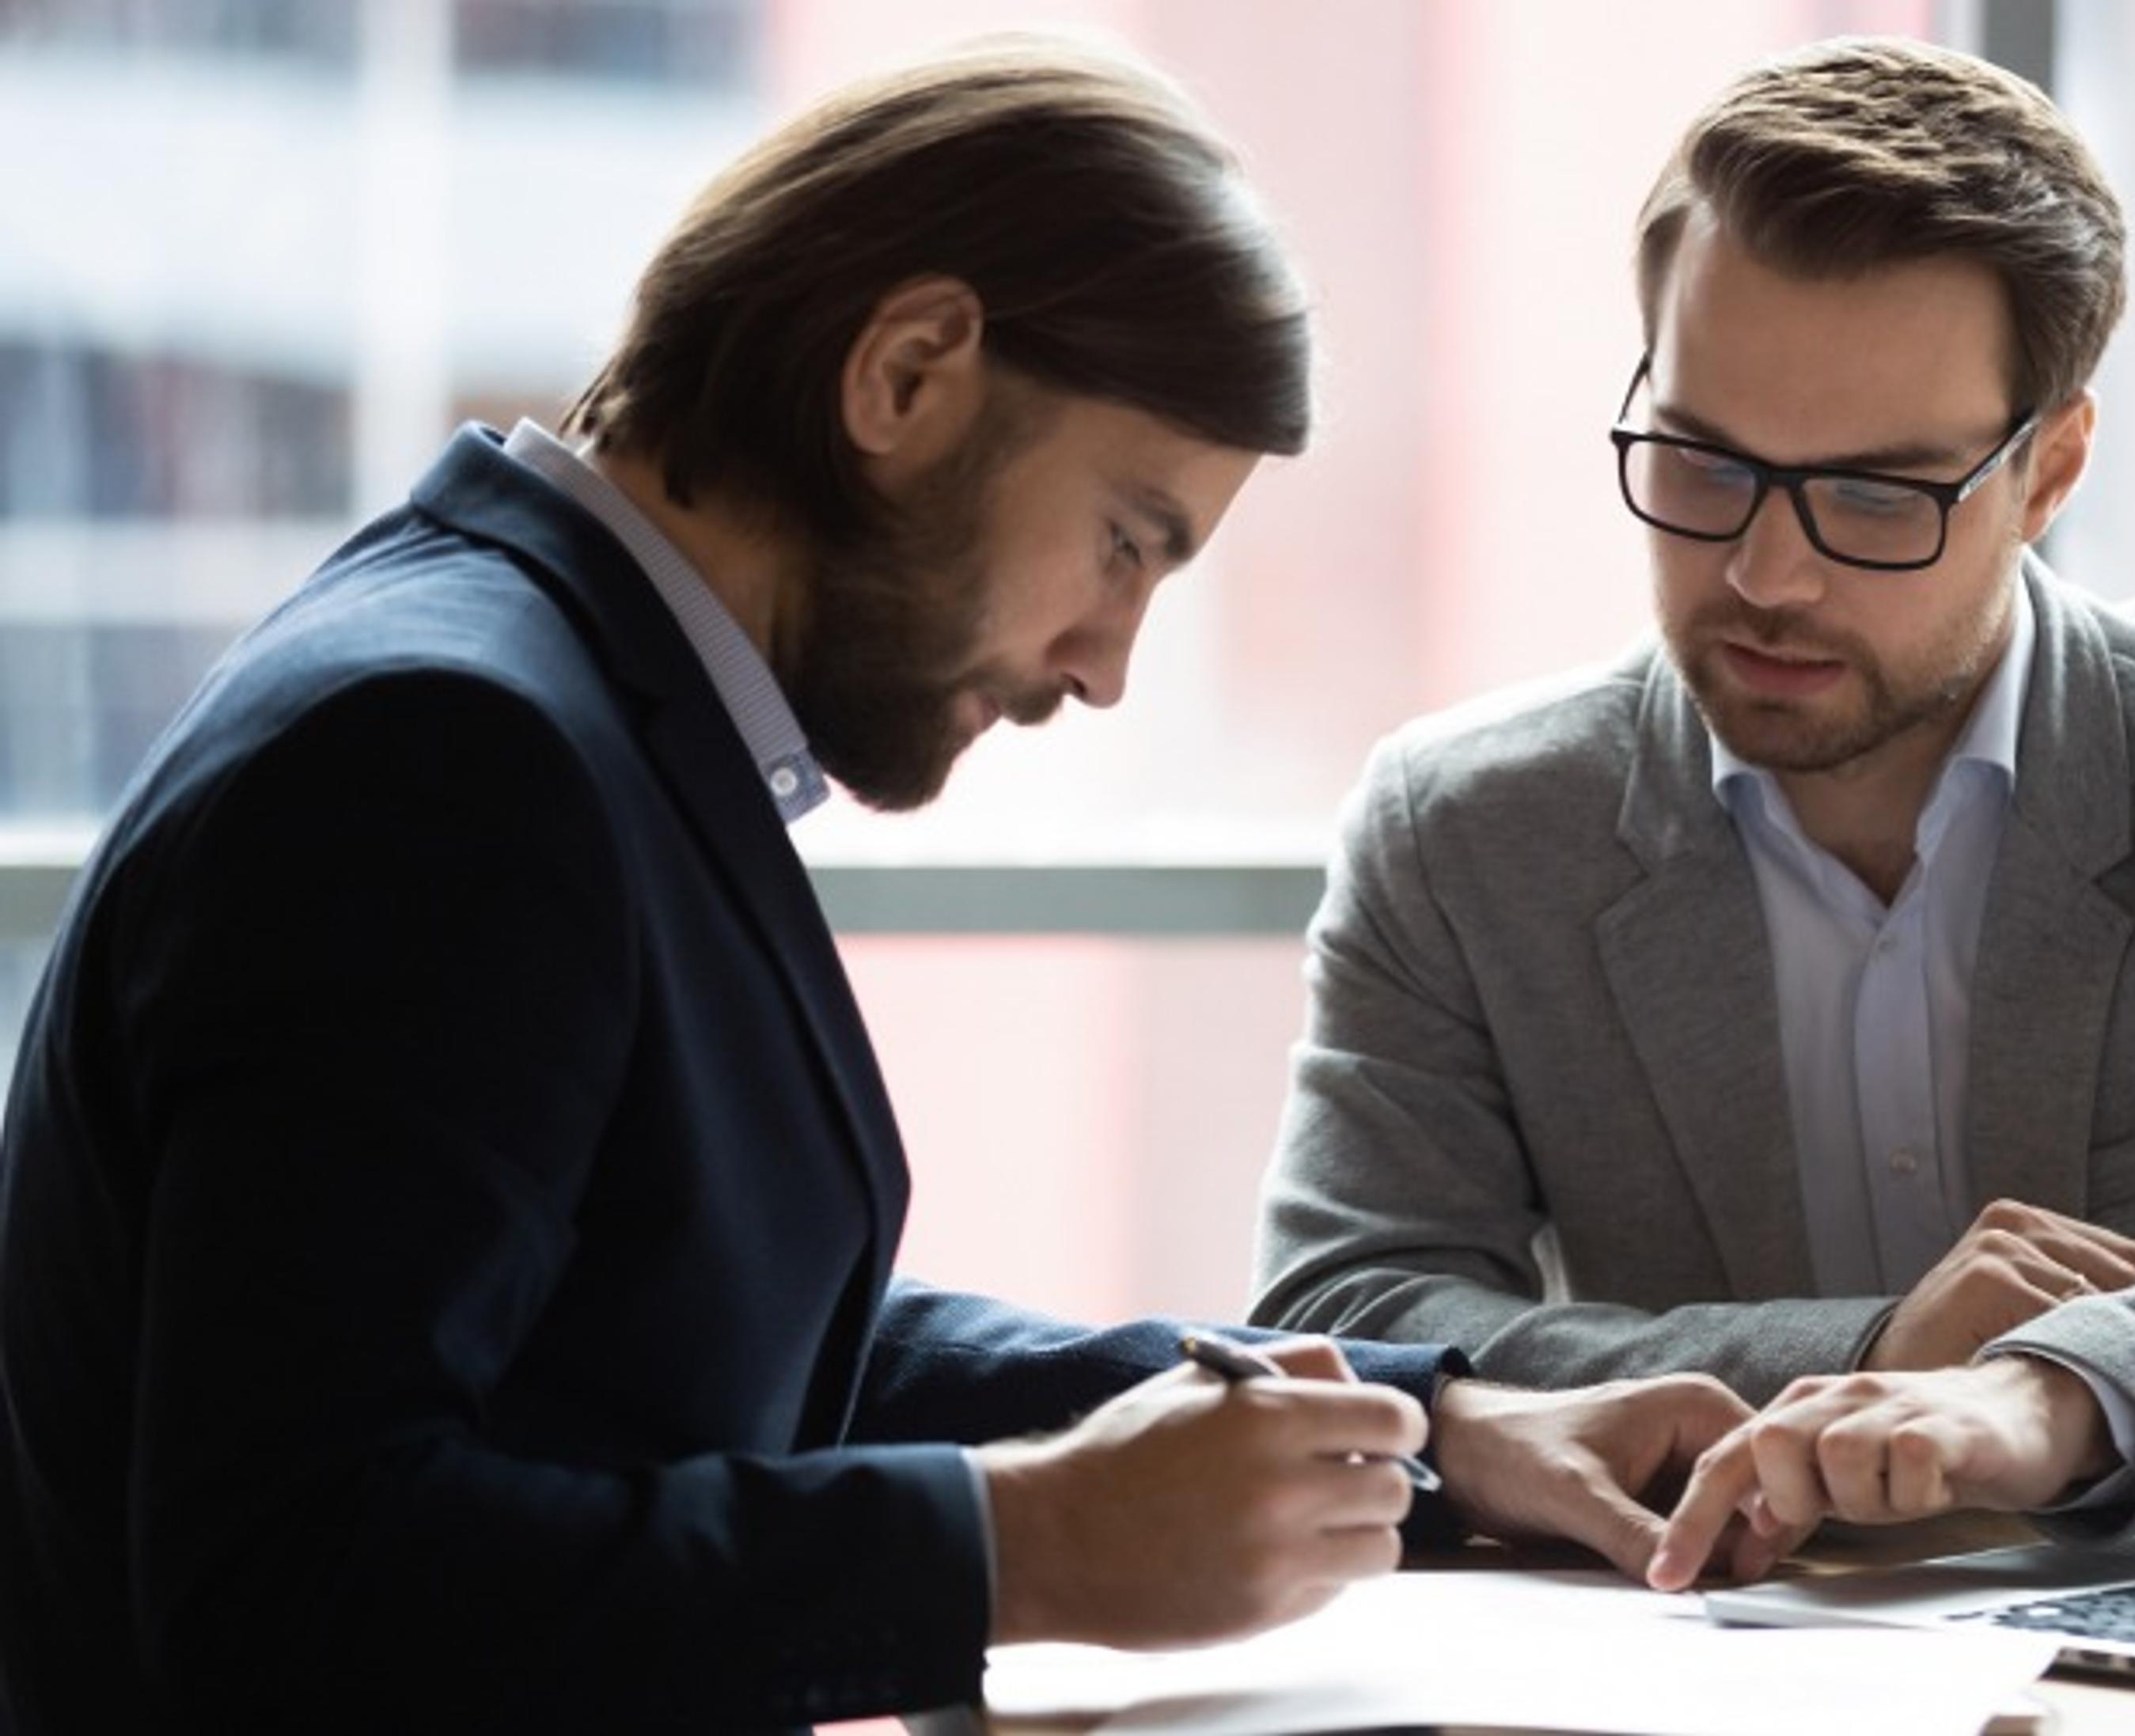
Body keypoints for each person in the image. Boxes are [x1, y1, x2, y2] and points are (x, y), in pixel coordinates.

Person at [0, 38, 1757, 1734]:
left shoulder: (551, 697)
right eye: (1128, 539)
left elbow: (689, 1332)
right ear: (906, 373)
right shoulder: (453, 758)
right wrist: (1018, 1547)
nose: (1108, 662)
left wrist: (1424, 1427)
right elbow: (293, 1585)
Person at [1247, 36, 2135, 1584]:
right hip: (1694, 1662)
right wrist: (1865, 1346)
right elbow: (1348, 1317)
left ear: (2050, 469)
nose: (1764, 573)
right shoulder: (1466, 833)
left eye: (1877, 496)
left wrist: (2050, 1394)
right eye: (1702, 460)